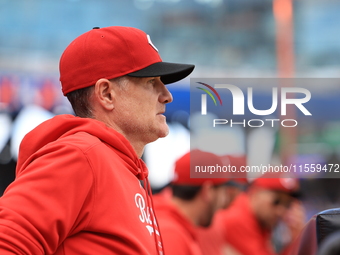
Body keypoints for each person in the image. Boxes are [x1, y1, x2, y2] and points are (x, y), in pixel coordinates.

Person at [0, 26, 194, 255]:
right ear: (106, 94)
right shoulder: (81, 156)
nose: (167, 95)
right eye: (151, 82)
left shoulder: (115, 165)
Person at [153, 149, 229, 255]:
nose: (224, 200)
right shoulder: (172, 236)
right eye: (223, 192)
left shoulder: (166, 221)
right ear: (208, 191)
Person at [219, 173, 306, 255]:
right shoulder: (237, 218)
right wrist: (297, 240)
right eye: (276, 201)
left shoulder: (260, 221)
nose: (280, 211)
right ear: (256, 191)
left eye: (287, 204)